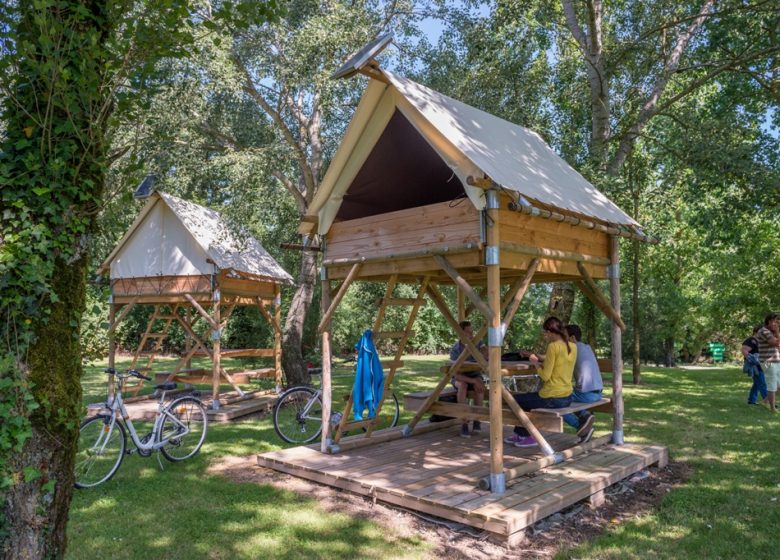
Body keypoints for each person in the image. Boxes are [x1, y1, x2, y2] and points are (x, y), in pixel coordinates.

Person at [504, 316, 575, 448]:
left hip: (552, 397)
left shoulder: (553, 347)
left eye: (546, 333)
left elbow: (545, 376)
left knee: (516, 400)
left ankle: (529, 436)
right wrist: (533, 354)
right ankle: (521, 434)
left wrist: (535, 363)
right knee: (526, 400)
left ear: (550, 332)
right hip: (567, 396)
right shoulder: (572, 346)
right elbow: (553, 359)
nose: (546, 336)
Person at [560, 325, 602, 442]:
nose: (562, 340)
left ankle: (580, 425)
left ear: (572, 338)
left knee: (554, 399)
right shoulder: (586, 347)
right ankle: (584, 415)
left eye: (564, 337)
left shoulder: (572, 349)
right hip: (597, 393)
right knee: (562, 395)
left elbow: (554, 361)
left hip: (586, 395)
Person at [449, 320, 487, 437]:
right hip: (460, 379)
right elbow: (456, 375)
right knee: (463, 386)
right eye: (468, 332)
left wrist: (485, 350)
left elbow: (487, 355)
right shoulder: (455, 349)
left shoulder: (478, 343)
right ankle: (464, 422)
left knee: (479, 386)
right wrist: (473, 380)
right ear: (461, 333)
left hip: (475, 375)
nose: (472, 334)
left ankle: (477, 420)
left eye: (472, 332)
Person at [755, 313, 780, 413]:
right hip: (769, 362)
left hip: (776, 361)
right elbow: (775, 343)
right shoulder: (764, 331)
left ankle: (766, 401)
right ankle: (772, 409)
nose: (778, 323)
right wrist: (777, 331)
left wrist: (776, 332)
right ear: (770, 321)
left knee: (778, 386)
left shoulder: (771, 332)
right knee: (772, 385)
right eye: (776, 321)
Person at [742, 325, 767, 406]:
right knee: (762, 383)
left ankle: (751, 400)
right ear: (757, 331)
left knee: (757, 383)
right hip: (754, 365)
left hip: (761, 364)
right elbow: (744, 350)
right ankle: (769, 402)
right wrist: (752, 360)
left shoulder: (760, 341)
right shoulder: (751, 340)